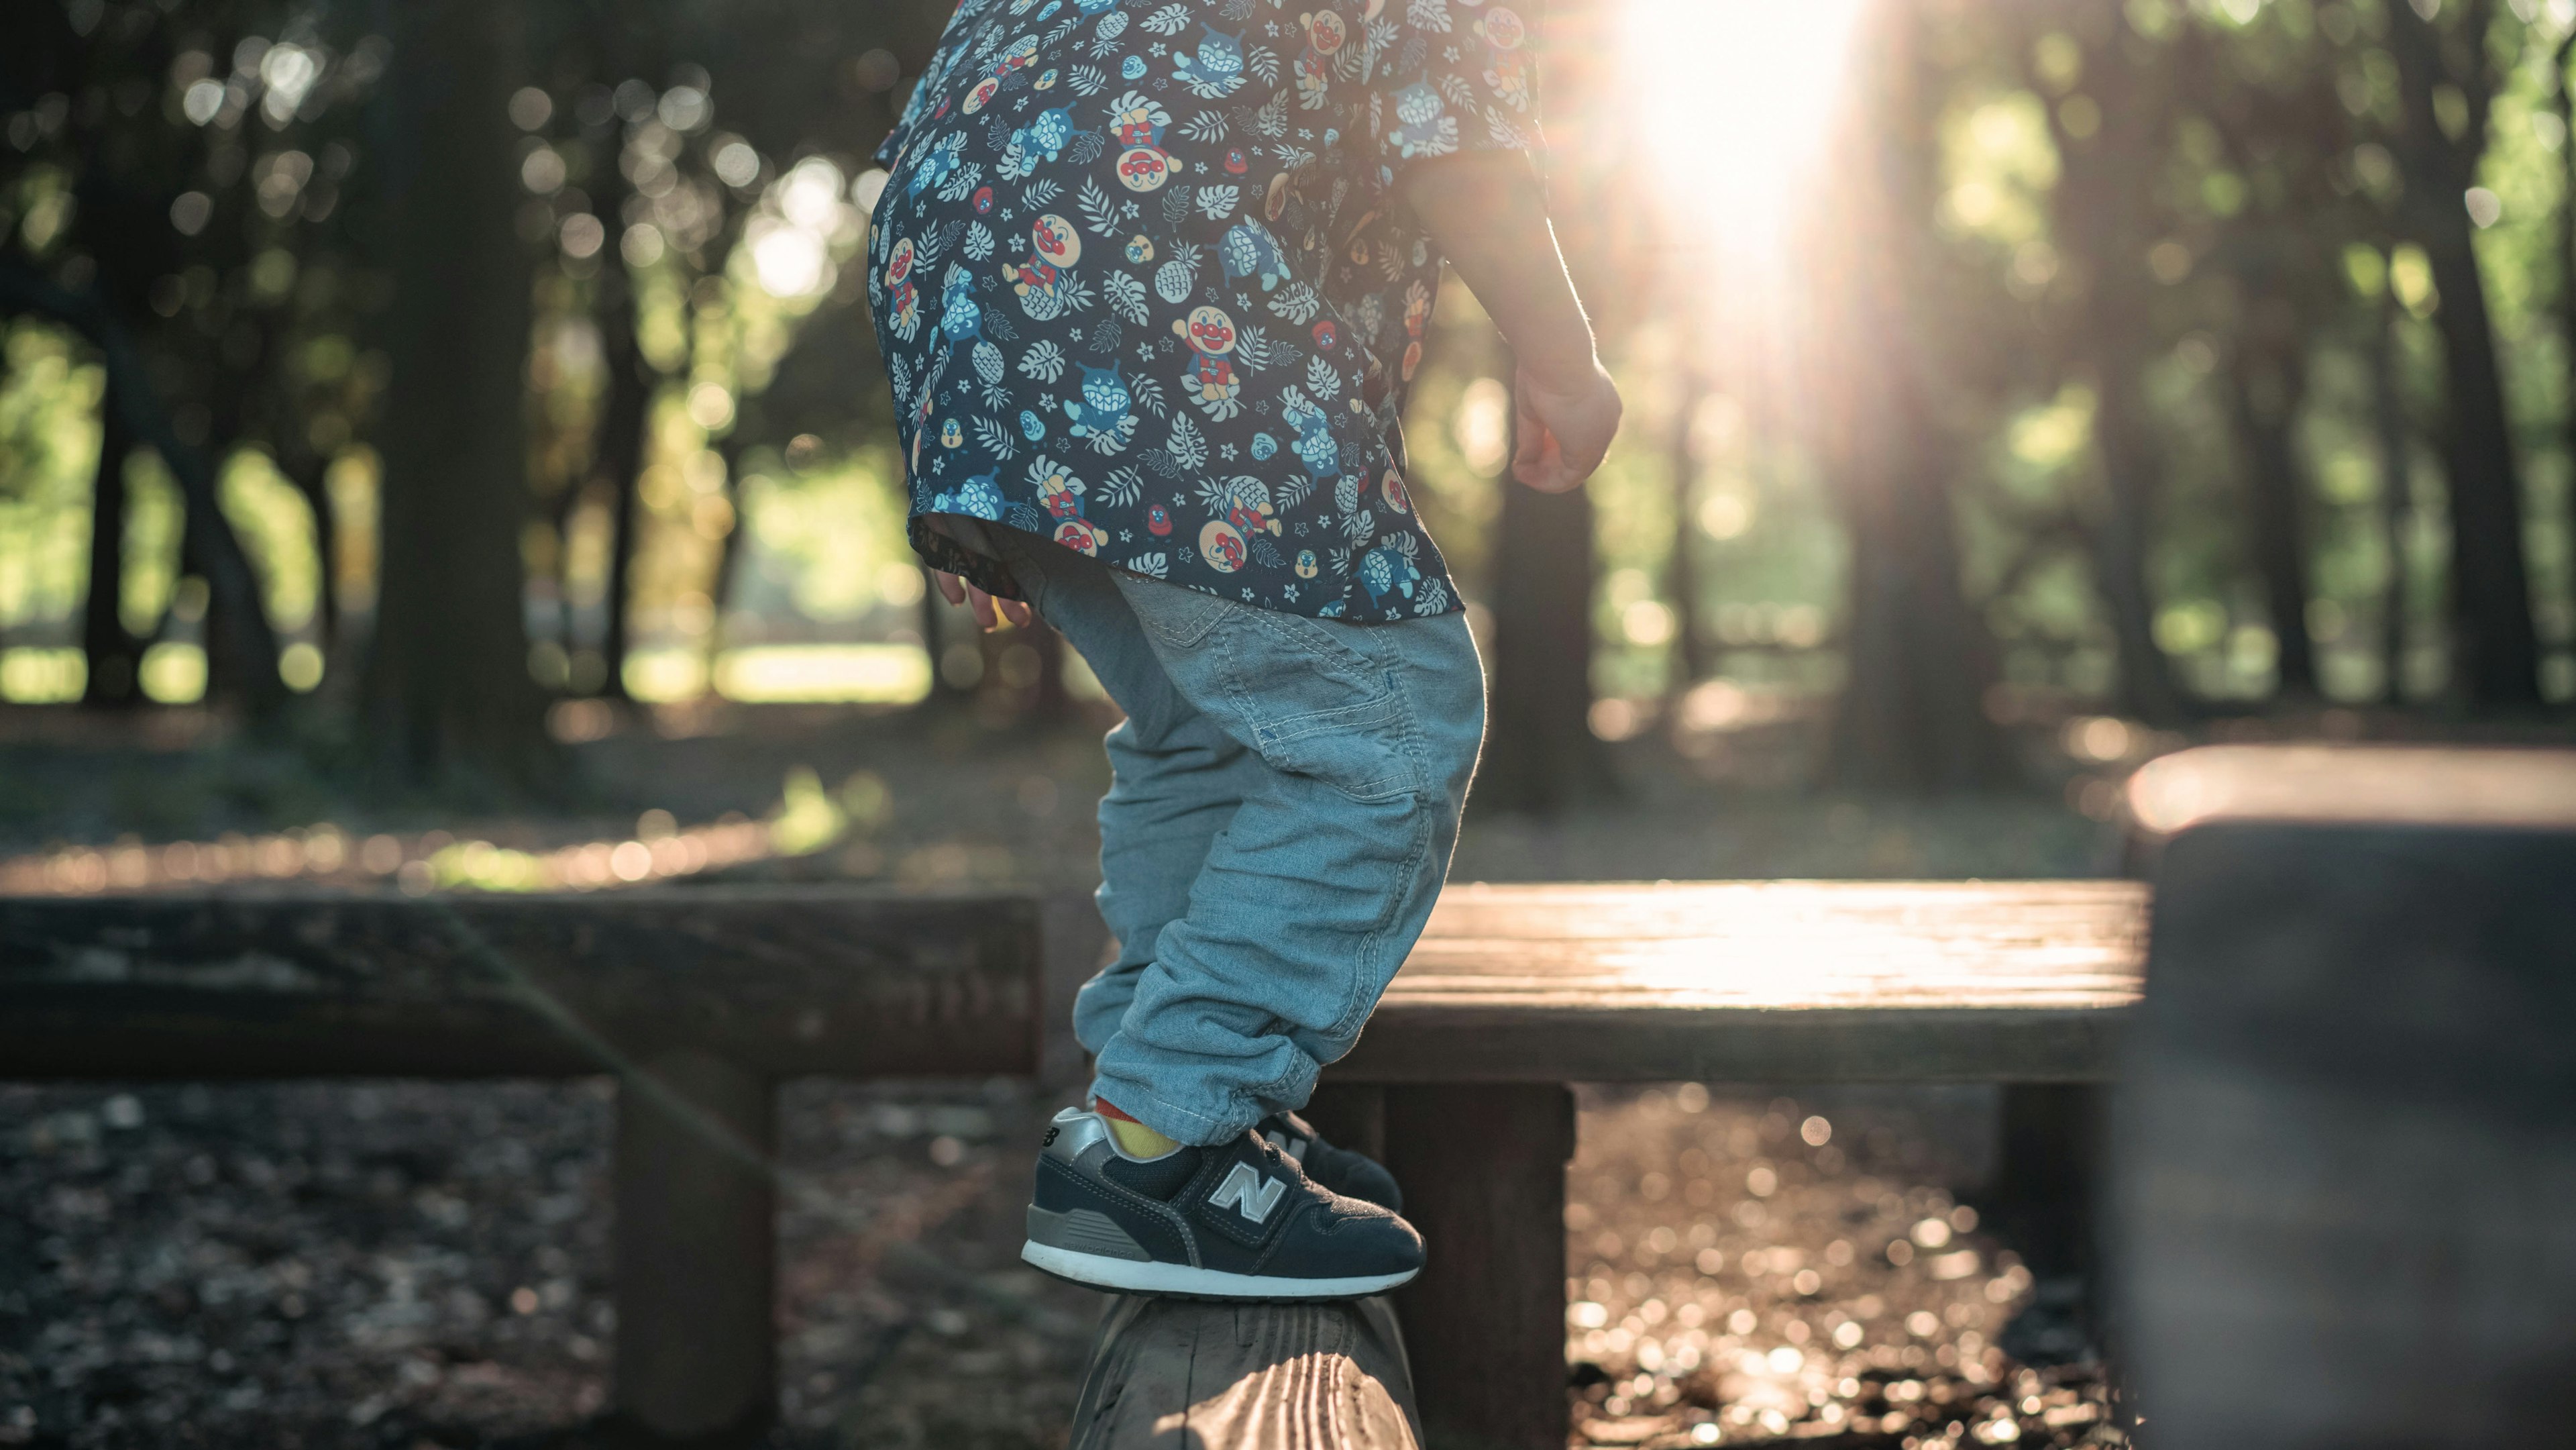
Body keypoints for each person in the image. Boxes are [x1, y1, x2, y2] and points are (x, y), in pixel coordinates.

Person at [867, 0, 1619, 1299]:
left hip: (976, 288)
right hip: (1145, 266)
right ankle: (1167, 1137)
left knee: (1216, 727)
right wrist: (1564, 361)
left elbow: (987, 108)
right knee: (1390, 725)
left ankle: (1153, 1110)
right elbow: (1456, 137)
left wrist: (980, 450)